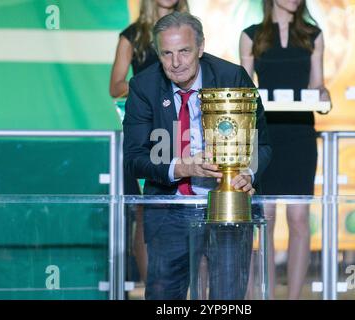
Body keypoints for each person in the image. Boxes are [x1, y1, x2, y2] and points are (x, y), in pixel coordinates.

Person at [123, 12, 271, 300]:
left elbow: (262, 144)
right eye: (166, 53)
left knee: (227, 300)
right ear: (157, 53)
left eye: (184, 51)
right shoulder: (144, 86)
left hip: (227, 210)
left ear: (201, 48)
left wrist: (245, 175)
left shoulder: (232, 77)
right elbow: (134, 158)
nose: (176, 62)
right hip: (169, 211)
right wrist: (181, 167)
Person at [239, 0, 330, 299]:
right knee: (264, 218)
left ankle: (293, 296)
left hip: (300, 134)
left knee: (299, 218)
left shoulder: (313, 35)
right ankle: (261, 295)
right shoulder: (251, 35)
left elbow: (318, 84)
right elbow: (243, 88)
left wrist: (323, 94)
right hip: (262, 136)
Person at [109, 0, 189, 284]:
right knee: (146, 210)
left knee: (190, 205)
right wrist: (148, 85)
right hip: (148, 130)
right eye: (166, 52)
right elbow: (115, 86)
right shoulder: (133, 35)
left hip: (184, 127)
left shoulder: (189, 30)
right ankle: (151, 289)